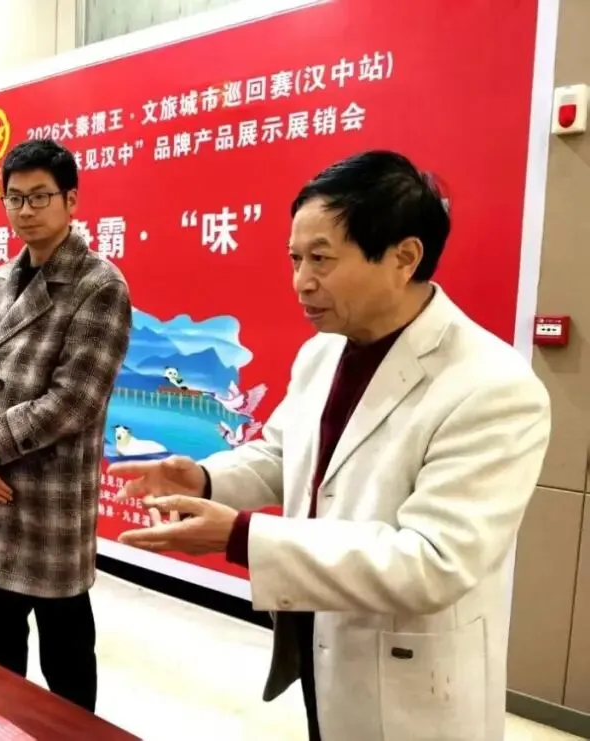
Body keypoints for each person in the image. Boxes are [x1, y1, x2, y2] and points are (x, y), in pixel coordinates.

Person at [109, 150, 550, 741]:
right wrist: (206, 479)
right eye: (295, 258)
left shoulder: (492, 386)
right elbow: (282, 454)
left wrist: (240, 536)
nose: (301, 281)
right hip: (324, 644)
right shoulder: (323, 352)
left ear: (404, 257)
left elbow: (433, 561)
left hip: (413, 681)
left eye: (321, 259)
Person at [0, 139, 131, 712]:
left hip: (46, 503)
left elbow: (74, 400)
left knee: (66, 665)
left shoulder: (100, 286)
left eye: (40, 197)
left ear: (71, 200)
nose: (25, 210)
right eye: (15, 198)